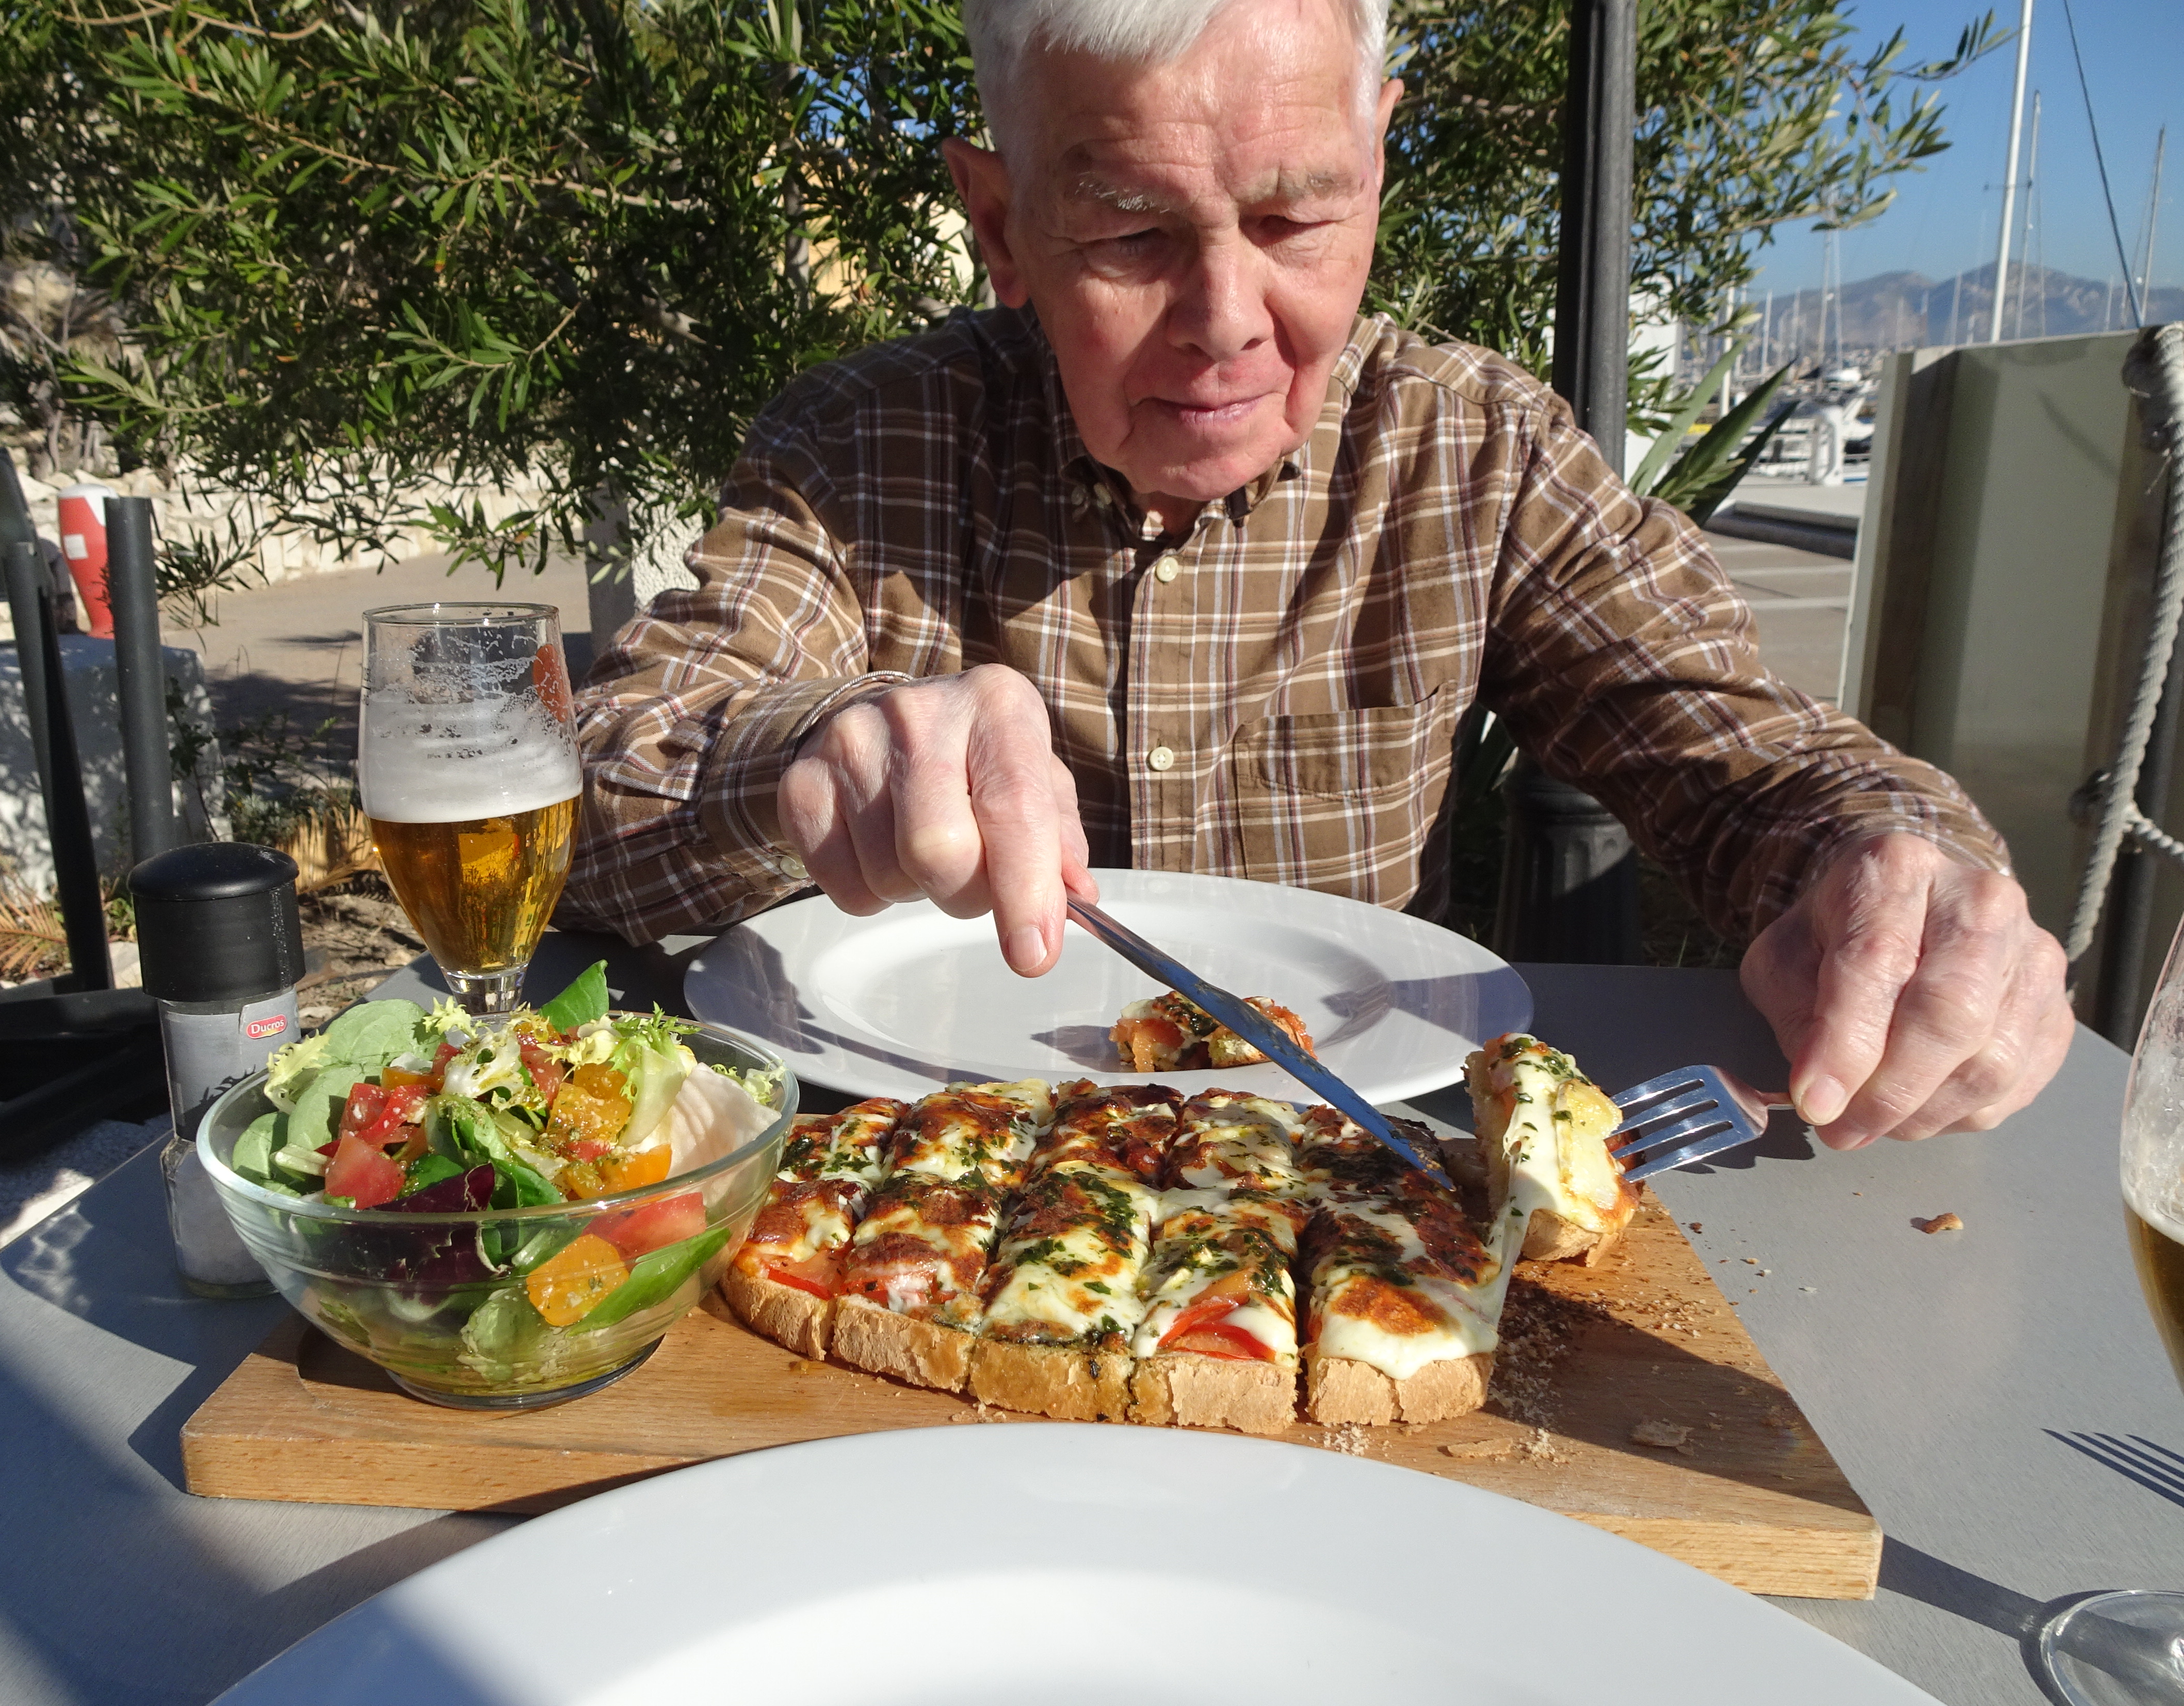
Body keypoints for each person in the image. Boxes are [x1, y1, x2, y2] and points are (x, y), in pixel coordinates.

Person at [562, 0, 2072, 1151]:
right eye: (1131, 230)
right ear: (1003, 225)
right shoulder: (859, 442)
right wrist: (810, 754)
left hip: (1358, 1211)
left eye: (1295, 218)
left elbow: (1740, 755)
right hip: (914, 1183)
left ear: (1380, 166)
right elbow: (610, 797)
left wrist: (1893, 882)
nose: (1226, 316)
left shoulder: (1476, 450)